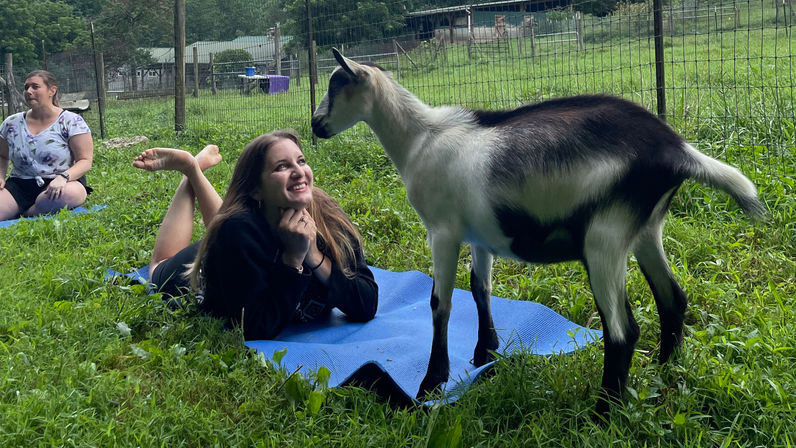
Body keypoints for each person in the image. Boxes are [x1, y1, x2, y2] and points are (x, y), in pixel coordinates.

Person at [132, 130, 378, 340]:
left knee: (223, 224)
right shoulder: (237, 232)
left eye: (301, 161)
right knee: (159, 264)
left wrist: (313, 256)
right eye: (282, 166)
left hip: (233, 241)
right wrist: (293, 260)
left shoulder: (328, 217)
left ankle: (194, 169)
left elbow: (366, 303)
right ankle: (190, 168)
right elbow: (254, 327)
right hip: (197, 271)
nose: (298, 171)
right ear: (257, 189)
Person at [0, 70, 93, 221]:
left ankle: (27, 212)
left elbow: (85, 160)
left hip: (62, 183)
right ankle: (32, 210)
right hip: (20, 184)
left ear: (52, 90)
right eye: (26, 87)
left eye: (35, 87)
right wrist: (1, 176)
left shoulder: (71, 121)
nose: (29, 91)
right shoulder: (11, 123)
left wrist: (63, 177)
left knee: (69, 195)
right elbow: (2, 155)